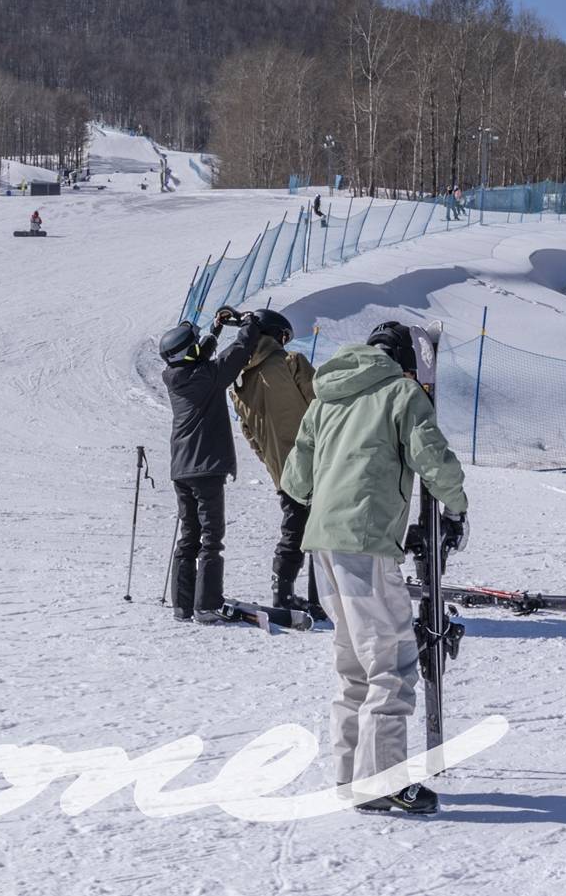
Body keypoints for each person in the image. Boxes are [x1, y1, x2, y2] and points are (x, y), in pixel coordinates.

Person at [277, 325, 469, 815]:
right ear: (405, 360)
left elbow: (296, 478)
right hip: (366, 542)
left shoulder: (327, 397)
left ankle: (351, 775)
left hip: (324, 544)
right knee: (390, 660)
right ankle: (381, 781)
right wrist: (456, 508)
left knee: (354, 663)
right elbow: (432, 457)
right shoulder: (401, 393)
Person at [159, 309, 268, 622]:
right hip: (205, 467)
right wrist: (249, 324)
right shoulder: (207, 377)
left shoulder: (175, 375)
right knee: (211, 538)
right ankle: (206, 604)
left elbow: (199, 356)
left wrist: (216, 330)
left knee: (189, 536)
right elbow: (238, 355)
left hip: (182, 467)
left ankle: (183, 604)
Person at [227, 310, 317, 617]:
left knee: (293, 530)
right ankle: (322, 600)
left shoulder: (239, 383)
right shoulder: (292, 362)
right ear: (275, 336)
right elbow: (324, 406)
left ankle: (283, 595)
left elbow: (250, 435)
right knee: (322, 532)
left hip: (284, 471)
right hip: (318, 461)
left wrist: (272, 461)